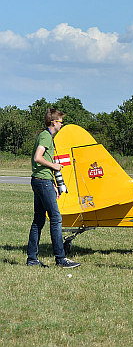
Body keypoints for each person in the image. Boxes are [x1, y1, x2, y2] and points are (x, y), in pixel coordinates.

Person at [26, 109, 81, 268]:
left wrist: (53, 184)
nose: (62, 124)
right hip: (42, 181)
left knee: (39, 220)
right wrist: (54, 166)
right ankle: (61, 259)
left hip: (42, 181)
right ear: (53, 122)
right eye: (60, 122)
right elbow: (38, 157)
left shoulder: (46, 136)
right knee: (56, 219)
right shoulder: (46, 136)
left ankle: (32, 259)